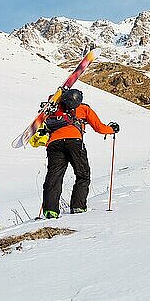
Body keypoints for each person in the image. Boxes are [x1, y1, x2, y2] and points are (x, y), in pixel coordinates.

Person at [41, 89, 119, 219]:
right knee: (83, 174)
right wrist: (112, 129)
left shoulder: (54, 107)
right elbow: (99, 128)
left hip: (54, 144)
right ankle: (78, 207)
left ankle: (50, 211)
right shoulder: (84, 109)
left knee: (54, 177)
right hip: (75, 143)